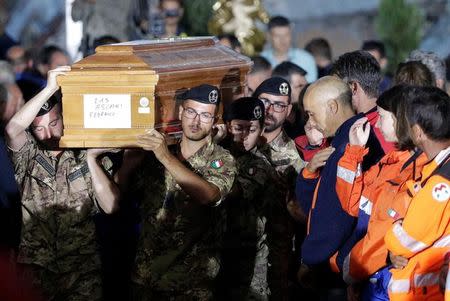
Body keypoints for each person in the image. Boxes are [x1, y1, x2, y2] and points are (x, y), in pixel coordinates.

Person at [4, 66, 120, 300]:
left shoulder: (87, 153)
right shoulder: (29, 156)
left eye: (54, 123)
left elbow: (111, 207)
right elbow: (12, 129)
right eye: (39, 128)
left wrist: (90, 158)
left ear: (65, 118)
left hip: (81, 269)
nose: (48, 134)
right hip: (37, 268)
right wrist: (50, 88)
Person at [117, 84, 236, 299]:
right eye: (191, 112)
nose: (196, 121)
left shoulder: (221, 159)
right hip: (146, 276)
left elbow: (209, 196)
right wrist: (127, 164)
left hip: (190, 282)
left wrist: (164, 157)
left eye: (205, 116)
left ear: (215, 120)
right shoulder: (156, 154)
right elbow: (120, 196)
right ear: (180, 112)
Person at [334, 85, 428, 300]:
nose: (376, 122)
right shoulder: (389, 163)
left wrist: (354, 269)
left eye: (382, 116)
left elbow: (382, 236)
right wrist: (354, 153)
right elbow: (351, 204)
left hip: (387, 280)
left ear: (399, 120)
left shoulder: (417, 171)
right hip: (371, 276)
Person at [296, 76, 384, 299]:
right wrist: (309, 173)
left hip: (338, 269)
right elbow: (318, 204)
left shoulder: (351, 147)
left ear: (332, 107)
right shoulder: (343, 141)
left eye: (312, 114)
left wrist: (311, 256)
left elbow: (337, 215)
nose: (311, 122)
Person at [384, 86, 450, 301]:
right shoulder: (437, 170)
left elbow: (406, 240)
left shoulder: (440, 182)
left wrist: (394, 231)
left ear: (419, 132)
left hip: (428, 293)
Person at [253, 76, 306, 300]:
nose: (270, 110)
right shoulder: (234, 144)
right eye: (264, 102)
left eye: (279, 105)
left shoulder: (297, 159)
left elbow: (304, 215)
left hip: (272, 266)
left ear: (288, 111)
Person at [217, 97, 274, 300]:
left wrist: (211, 150)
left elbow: (231, 191)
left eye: (251, 130)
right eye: (238, 128)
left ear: (261, 131)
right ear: (227, 127)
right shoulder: (219, 152)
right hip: (215, 250)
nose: (244, 136)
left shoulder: (260, 164)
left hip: (248, 255)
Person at [332, 50, 395, 155]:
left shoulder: (377, 131)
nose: (333, 97)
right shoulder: (394, 123)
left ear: (353, 88)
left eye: (336, 88)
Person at [261, 16, 317, 83]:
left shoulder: (306, 59)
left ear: (291, 34)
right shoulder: (261, 61)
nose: (283, 40)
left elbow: (311, 89)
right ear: (269, 36)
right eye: (277, 36)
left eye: (286, 35)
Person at [272, 61, 308, 139]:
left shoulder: (306, 116)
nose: (306, 90)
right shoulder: (271, 121)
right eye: (300, 86)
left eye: (306, 86)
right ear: (283, 89)